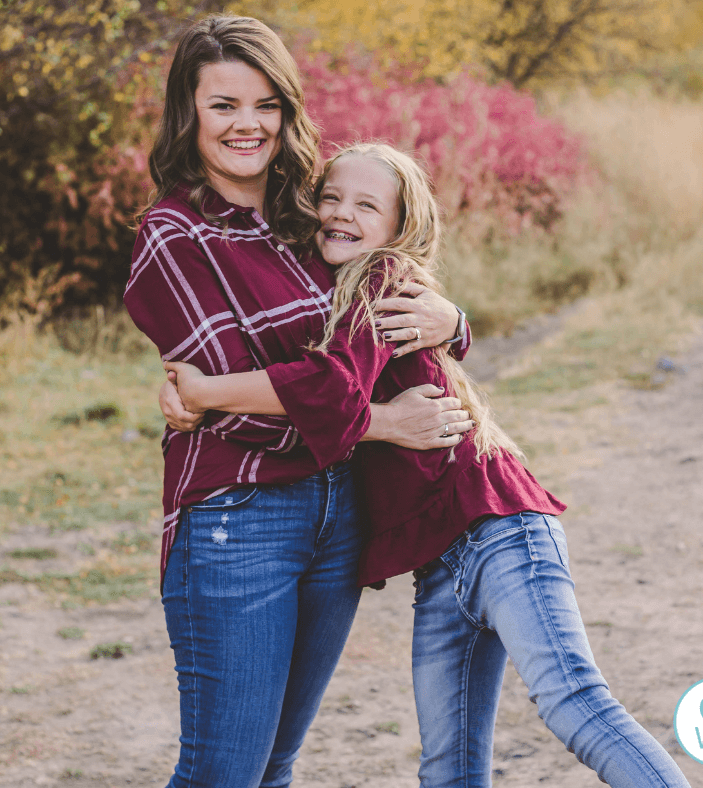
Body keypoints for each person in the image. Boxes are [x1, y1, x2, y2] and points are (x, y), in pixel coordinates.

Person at [164, 143, 692, 788]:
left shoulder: (378, 282)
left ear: (398, 227)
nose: (341, 213)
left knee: (574, 703)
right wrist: (456, 324)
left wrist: (207, 391)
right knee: (450, 767)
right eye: (331, 197)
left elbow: (331, 390)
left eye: (366, 205)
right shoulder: (329, 288)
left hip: (498, 531)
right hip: (439, 565)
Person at [123, 17, 475, 788]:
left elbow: (390, 316)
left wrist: (454, 322)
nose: (247, 124)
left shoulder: (316, 211)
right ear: (189, 113)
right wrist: (384, 424)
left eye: (265, 104)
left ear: (287, 108)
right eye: (223, 106)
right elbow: (235, 409)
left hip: (339, 510)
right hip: (238, 517)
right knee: (226, 771)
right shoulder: (174, 235)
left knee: (276, 766)